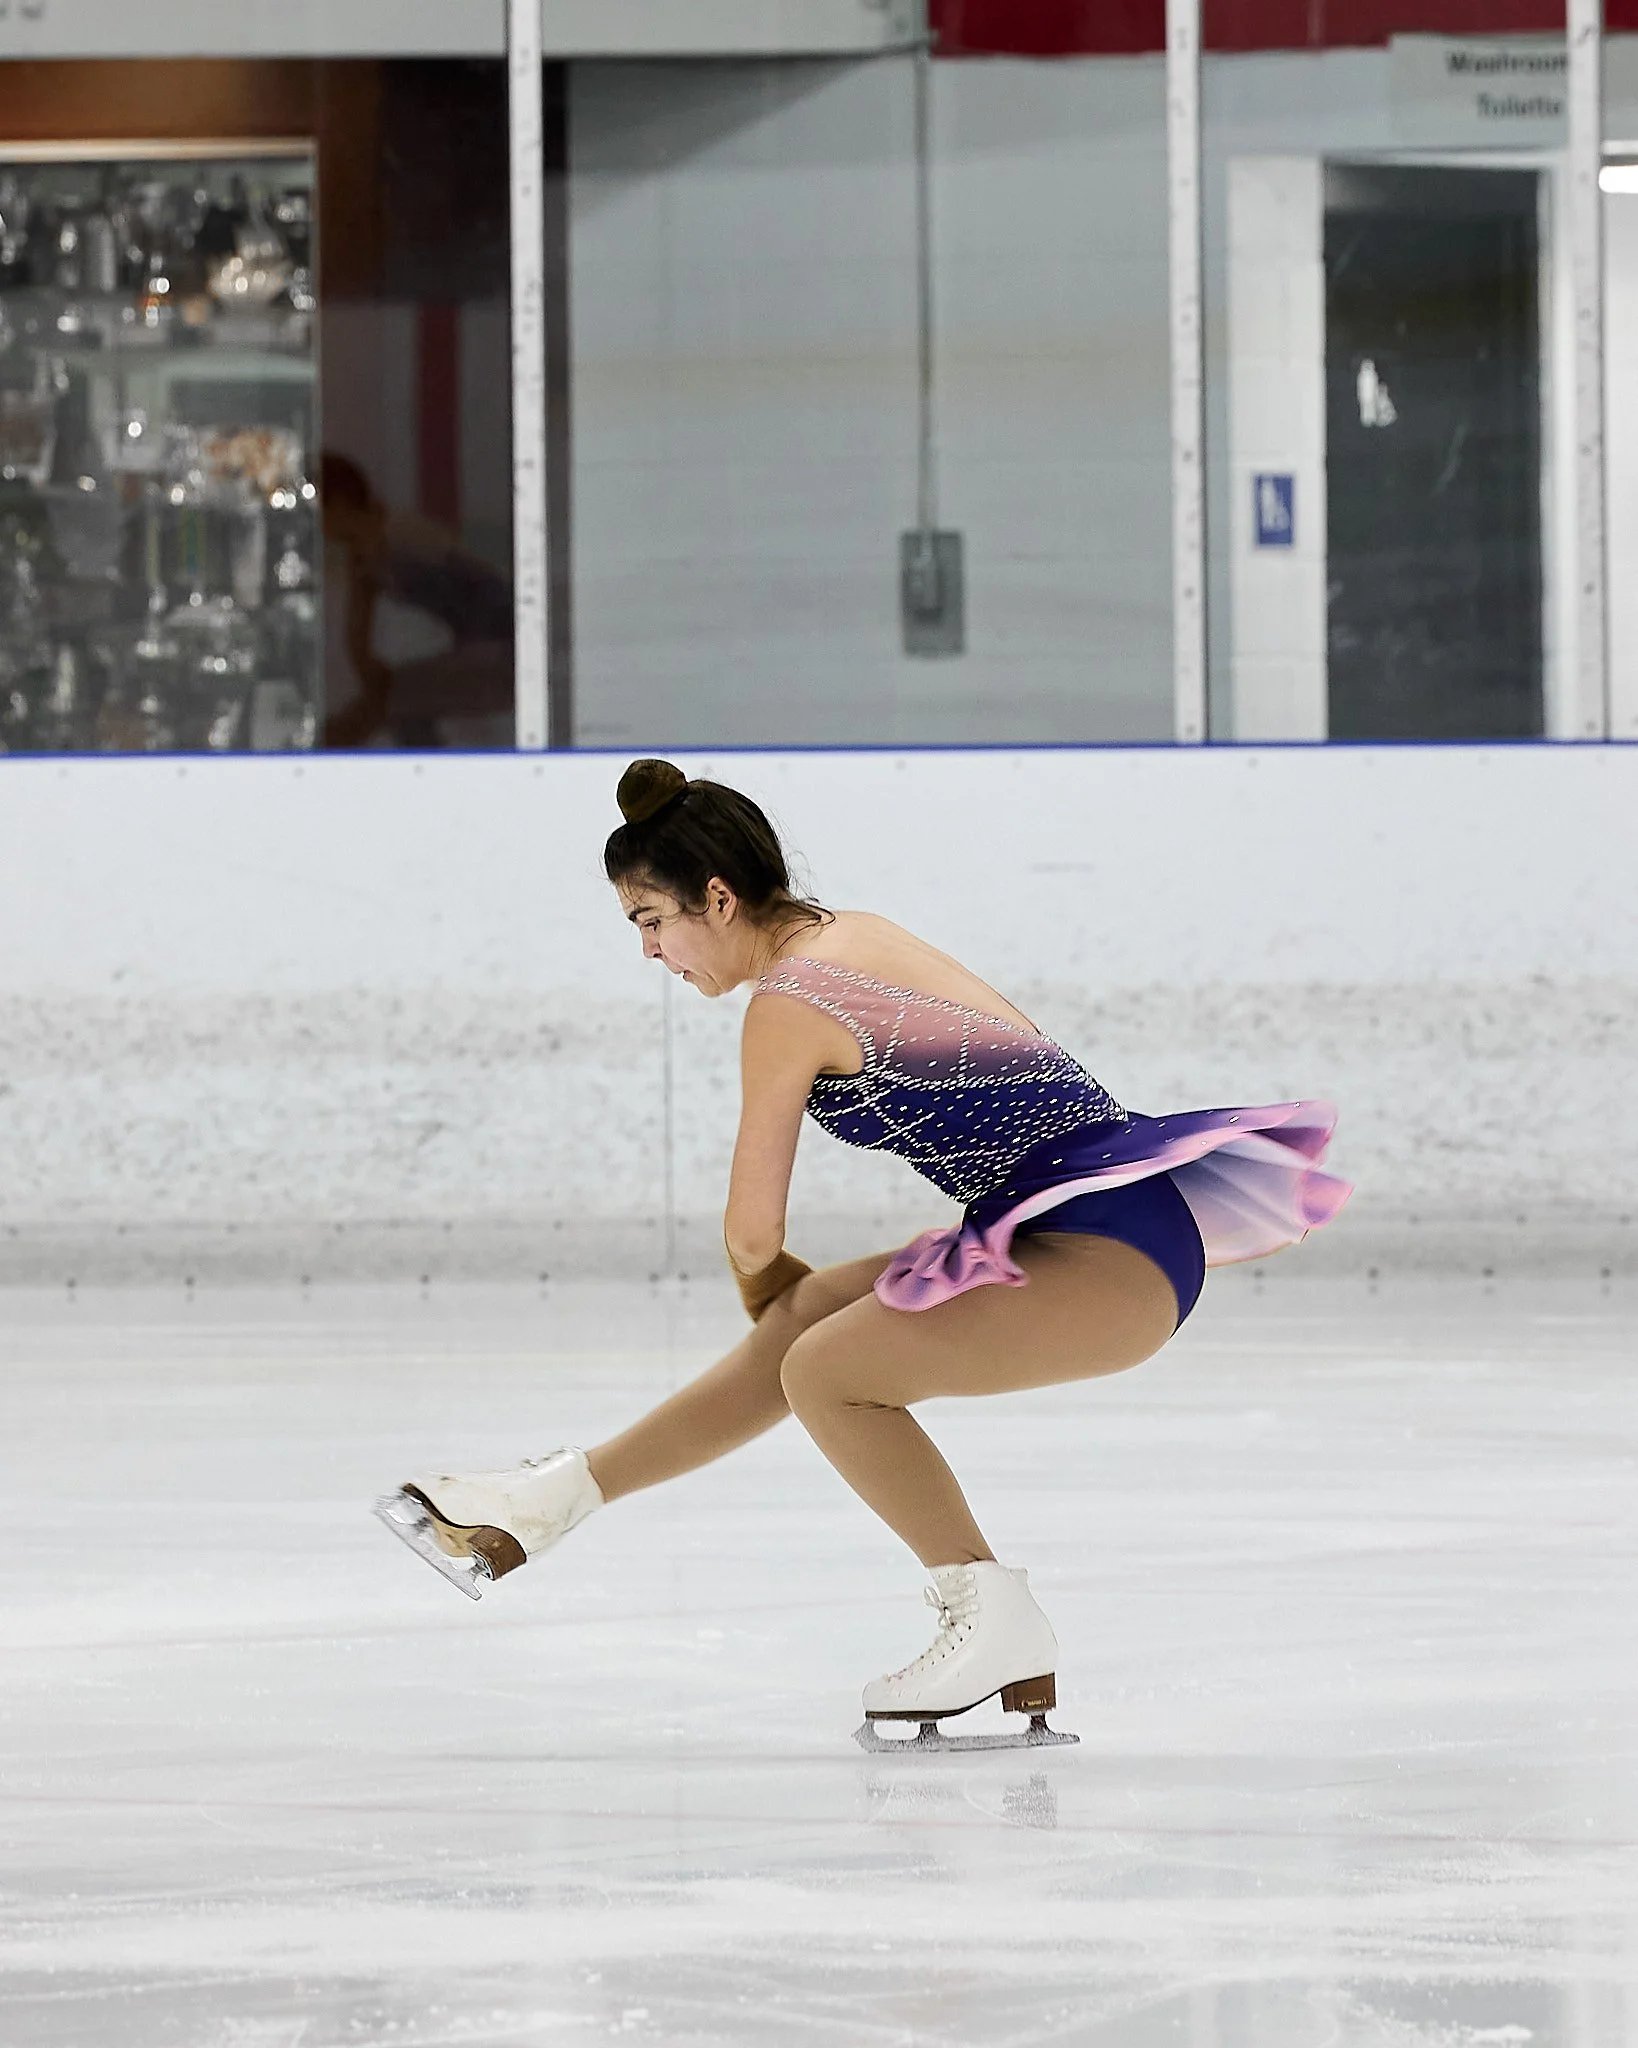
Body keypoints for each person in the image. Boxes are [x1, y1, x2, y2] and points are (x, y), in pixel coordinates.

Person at [376, 759, 1351, 1742]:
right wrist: (786, 1300)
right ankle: (544, 1502)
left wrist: (765, 1286)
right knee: (810, 1327)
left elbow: (754, 1229)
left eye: (650, 919)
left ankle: (991, 1615)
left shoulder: (788, 1003)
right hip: (1089, 1221)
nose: (650, 950)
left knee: (824, 1369)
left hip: (1105, 1248)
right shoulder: (855, 933)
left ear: (715, 898)